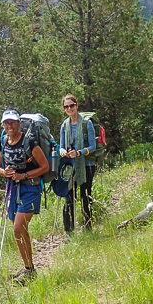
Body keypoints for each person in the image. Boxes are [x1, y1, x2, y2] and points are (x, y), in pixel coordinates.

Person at [0, 109, 49, 283]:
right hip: (13, 188)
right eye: (6, 123)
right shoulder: (3, 141)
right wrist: (5, 172)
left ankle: (29, 271)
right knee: (20, 230)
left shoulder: (29, 142)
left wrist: (23, 176)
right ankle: (29, 268)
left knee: (18, 227)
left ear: (19, 123)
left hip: (31, 188)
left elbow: (44, 167)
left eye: (12, 122)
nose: (9, 126)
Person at [59, 94, 96, 232]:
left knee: (85, 196)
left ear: (76, 105)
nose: (69, 108)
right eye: (66, 106)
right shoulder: (64, 125)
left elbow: (93, 146)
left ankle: (88, 228)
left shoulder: (87, 123)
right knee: (69, 198)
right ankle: (69, 231)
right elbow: (61, 146)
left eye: (71, 105)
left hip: (87, 165)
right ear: (64, 109)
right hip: (70, 166)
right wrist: (64, 152)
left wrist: (79, 152)